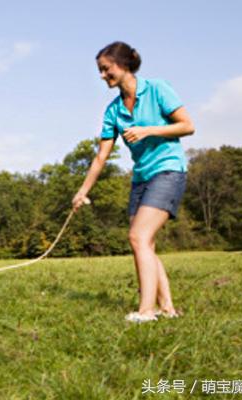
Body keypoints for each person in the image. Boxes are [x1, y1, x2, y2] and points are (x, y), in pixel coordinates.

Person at [72, 42, 195, 323]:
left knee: (138, 237)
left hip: (168, 170)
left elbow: (187, 125)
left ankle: (145, 311)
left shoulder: (157, 89)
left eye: (106, 69)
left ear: (124, 65)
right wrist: (82, 192)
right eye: (100, 71)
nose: (102, 75)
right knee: (145, 243)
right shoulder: (113, 110)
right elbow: (101, 156)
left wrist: (147, 130)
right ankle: (167, 309)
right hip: (141, 178)